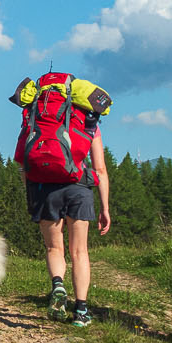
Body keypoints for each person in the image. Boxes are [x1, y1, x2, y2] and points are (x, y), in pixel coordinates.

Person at [13, 74, 113, 325]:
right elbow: (100, 170)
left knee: (54, 248)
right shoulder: (88, 120)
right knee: (79, 251)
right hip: (79, 188)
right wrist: (105, 208)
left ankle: (58, 286)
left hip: (46, 189)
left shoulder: (35, 116)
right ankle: (81, 311)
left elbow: (23, 164)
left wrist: (32, 195)